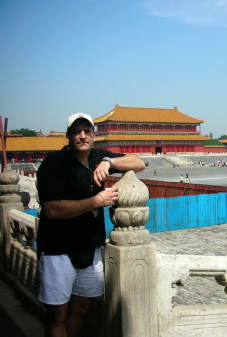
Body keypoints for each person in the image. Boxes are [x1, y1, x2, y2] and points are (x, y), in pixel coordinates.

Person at [36, 113, 145, 337]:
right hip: (58, 248)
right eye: (77, 131)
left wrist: (109, 162)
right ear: (68, 136)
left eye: (87, 131)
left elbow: (139, 162)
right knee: (57, 313)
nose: (82, 136)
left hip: (90, 247)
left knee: (82, 307)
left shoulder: (98, 157)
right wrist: (96, 201)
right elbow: (52, 210)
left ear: (94, 135)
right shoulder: (53, 164)